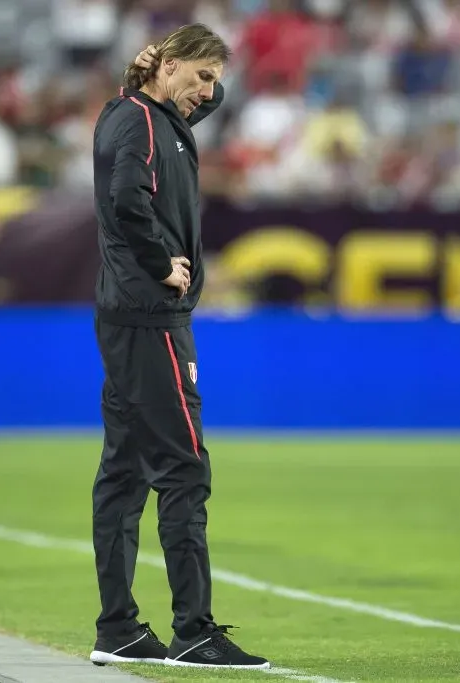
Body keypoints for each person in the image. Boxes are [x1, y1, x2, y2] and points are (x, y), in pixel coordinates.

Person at [89, 26, 270, 671]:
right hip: (153, 316)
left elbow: (193, 97)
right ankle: (194, 631)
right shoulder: (140, 121)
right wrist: (162, 261)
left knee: (125, 473)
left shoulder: (141, 112)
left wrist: (166, 74)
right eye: (201, 77)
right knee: (184, 469)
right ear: (168, 67)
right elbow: (124, 201)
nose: (210, 92)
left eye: (216, 79)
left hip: (129, 316)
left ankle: (118, 629)